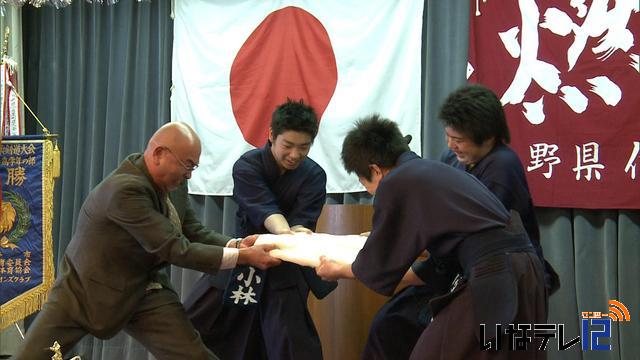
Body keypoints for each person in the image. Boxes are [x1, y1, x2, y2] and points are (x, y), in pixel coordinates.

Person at [13, 122, 281, 360]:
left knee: (193, 355)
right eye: (188, 165)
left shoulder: (172, 184)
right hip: (86, 291)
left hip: (145, 290)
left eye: (194, 166)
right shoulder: (125, 190)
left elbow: (192, 230)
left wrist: (236, 245)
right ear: (159, 154)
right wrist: (243, 259)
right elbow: (174, 248)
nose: (189, 174)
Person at [316, 115, 547, 359]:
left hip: (494, 272)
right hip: (523, 269)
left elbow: (378, 263)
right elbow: (434, 267)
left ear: (375, 170)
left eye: (365, 183)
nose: (371, 192)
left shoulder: (398, 181)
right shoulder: (433, 172)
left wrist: (340, 270)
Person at [362, 84, 560, 359]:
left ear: (488, 136)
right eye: (448, 136)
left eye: (459, 139)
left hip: (494, 273)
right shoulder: (450, 160)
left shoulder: (503, 167)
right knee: (389, 324)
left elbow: (476, 234)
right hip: (452, 271)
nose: (451, 145)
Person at [184, 99, 336, 360]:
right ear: (271, 136)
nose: (295, 154)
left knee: (288, 341)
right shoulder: (247, 166)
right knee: (193, 323)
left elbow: (303, 221)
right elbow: (263, 208)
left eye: (304, 147)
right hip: (245, 257)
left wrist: (292, 236)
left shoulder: (314, 175)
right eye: (288, 146)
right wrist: (285, 233)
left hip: (286, 264)